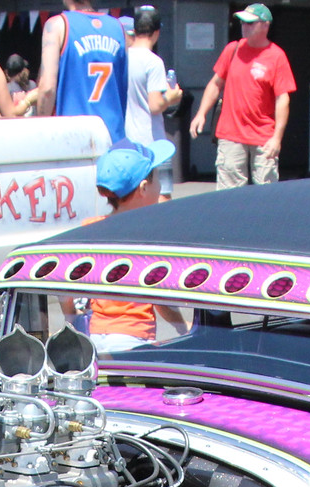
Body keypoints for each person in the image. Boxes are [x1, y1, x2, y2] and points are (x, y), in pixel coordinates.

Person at [87, 141, 187, 352]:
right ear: (143, 188)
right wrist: (183, 328)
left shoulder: (89, 229)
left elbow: (66, 292)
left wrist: (71, 314)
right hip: (134, 338)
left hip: (95, 336)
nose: (160, 185)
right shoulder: (148, 238)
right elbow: (160, 299)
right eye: (158, 178)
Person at [190, 3, 296, 189]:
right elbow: (215, 84)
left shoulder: (276, 56)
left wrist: (277, 138)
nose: (244, 26)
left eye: (250, 23)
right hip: (231, 134)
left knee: (266, 192)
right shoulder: (233, 49)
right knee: (229, 195)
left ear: (265, 25)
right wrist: (201, 114)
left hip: (263, 136)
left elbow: (282, 99)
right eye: (243, 22)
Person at [37, 0, 130, 147]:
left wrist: (40, 131)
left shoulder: (57, 25)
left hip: (73, 139)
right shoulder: (118, 28)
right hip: (113, 138)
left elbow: (47, 88)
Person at [126, 5, 180, 197]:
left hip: (127, 140)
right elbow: (156, 105)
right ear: (156, 32)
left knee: (132, 195)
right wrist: (172, 97)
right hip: (152, 141)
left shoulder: (123, 58)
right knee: (161, 194)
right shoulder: (153, 62)